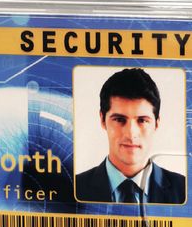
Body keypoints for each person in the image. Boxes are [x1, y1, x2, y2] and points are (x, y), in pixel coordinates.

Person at [75, 68, 185, 204]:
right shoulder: (71, 188)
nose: (131, 133)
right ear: (102, 120)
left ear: (156, 123)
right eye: (119, 119)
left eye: (142, 120)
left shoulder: (184, 190)